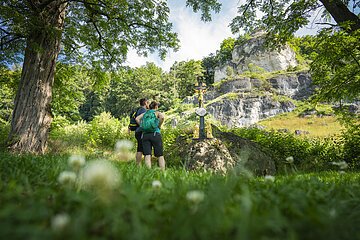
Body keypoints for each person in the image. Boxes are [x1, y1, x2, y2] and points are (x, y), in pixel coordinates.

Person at [135, 101, 165, 170]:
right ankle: (163, 172)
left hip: (145, 135)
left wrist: (142, 126)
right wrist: (159, 125)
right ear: (156, 107)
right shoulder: (157, 113)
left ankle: (148, 171)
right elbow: (162, 118)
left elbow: (137, 119)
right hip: (155, 134)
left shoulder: (145, 113)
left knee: (147, 155)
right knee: (160, 155)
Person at [128, 98, 149, 165]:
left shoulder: (138, 109)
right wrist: (143, 127)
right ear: (145, 103)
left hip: (137, 131)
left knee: (139, 148)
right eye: (148, 102)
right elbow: (139, 120)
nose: (148, 104)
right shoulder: (143, 110)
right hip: (141, 131)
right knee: (144, 149)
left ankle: (138, 165)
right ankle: (144, 165)